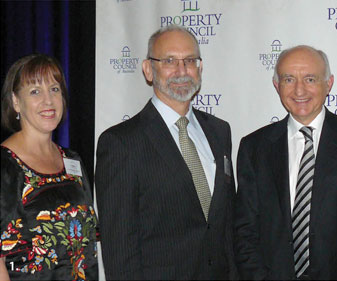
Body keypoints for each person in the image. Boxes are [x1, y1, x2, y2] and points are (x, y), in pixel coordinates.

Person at [234, 45, 337, 280]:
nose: (299, 90)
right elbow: (244, 232)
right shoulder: (254, 147)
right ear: (276, 85)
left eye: (310, 79)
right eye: (288, 79)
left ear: (329, 84)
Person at [95, 25, 237, 279]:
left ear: (200, 68)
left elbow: (226, 225)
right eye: (169, 61)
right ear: (148, 70)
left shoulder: (219, 132)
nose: (182, 71)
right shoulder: (121, 142)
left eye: (190, 61)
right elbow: (119, 249)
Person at [0, 54, 98, 280]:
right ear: (16, 101)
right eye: (35, 91)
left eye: (54, 89)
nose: (48, 101)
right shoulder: (5, 166)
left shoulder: (72, 160)